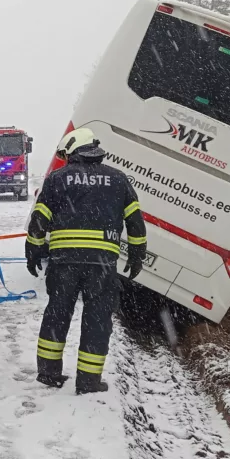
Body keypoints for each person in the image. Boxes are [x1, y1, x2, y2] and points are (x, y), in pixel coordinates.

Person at [25, 128, 147, 395]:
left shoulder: (58, 178)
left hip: (63, 262)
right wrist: (138, 254)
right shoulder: (118, 180)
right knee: (97, 319)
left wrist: (33, 250)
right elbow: (135, 222)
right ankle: (89, 381)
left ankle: (48, 372)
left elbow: (39, 220)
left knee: (57, 314)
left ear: (74, 149)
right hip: (102, 265)